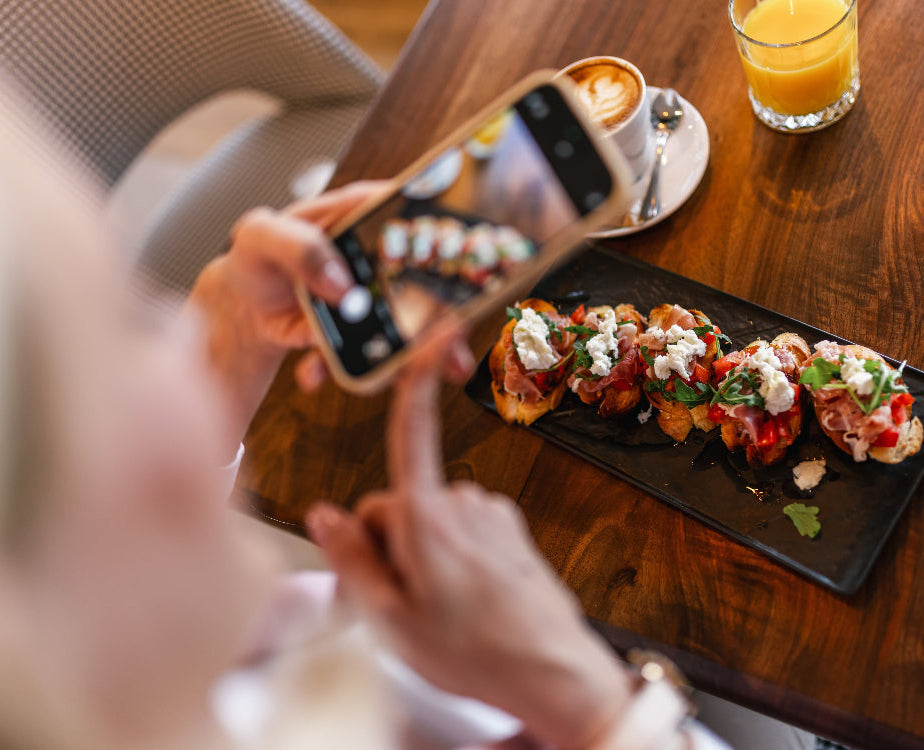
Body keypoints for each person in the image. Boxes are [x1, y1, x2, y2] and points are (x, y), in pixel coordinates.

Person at [0, 84, 813, 749]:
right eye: (126, 331)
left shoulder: (147, 658)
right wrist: (585, 692)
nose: (181, 352)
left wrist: (235, 330)